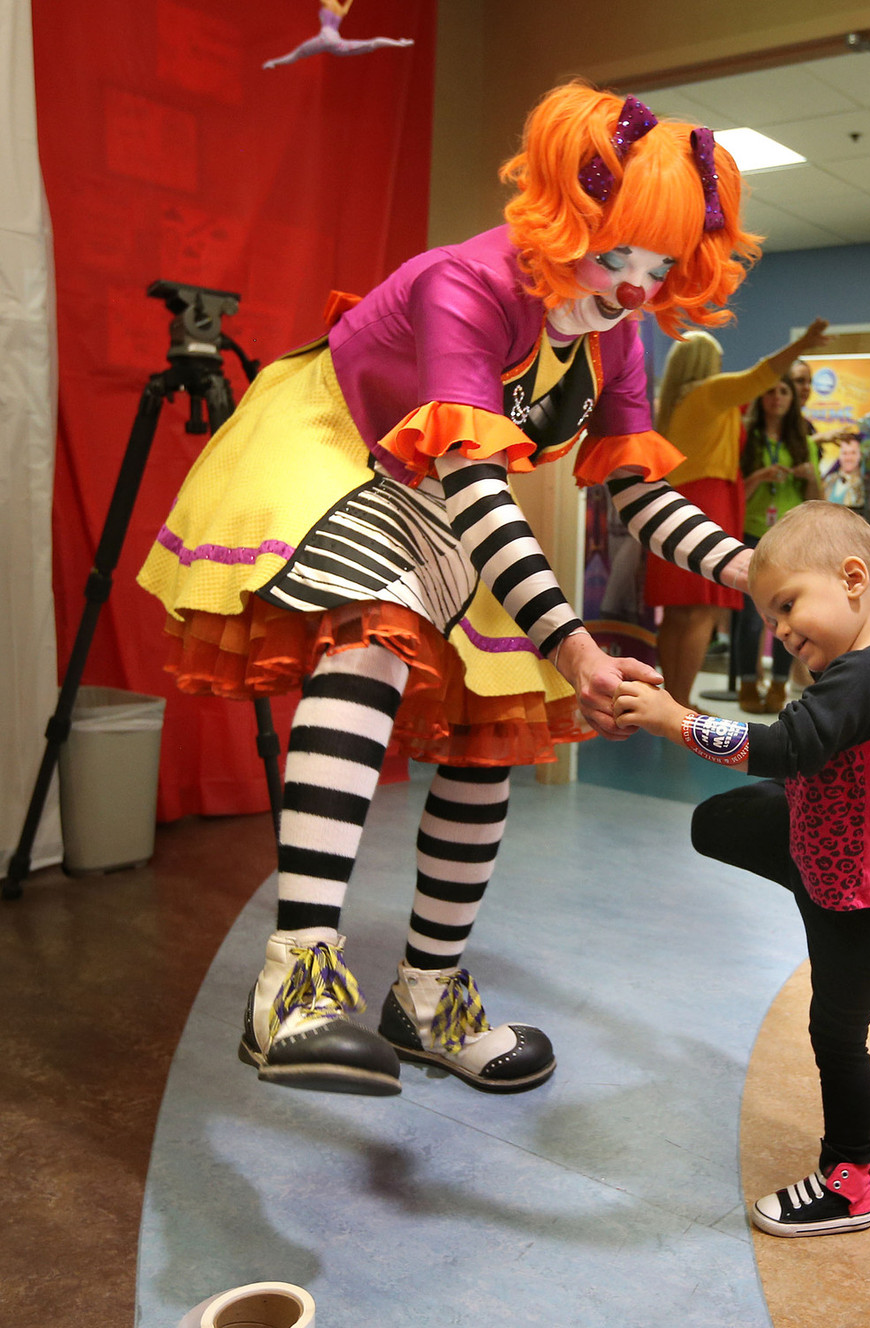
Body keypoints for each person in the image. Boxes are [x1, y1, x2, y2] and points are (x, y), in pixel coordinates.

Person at [138, 82, 762, 1098]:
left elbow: (636, 493)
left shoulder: (614, 336)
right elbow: (474, 480)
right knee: (374, 633)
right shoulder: (464, 286)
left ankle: (426, 995)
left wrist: (749, 566)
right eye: (619, 257)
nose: (636, 289)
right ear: (570, 220)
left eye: (659, 268)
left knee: (489, 716)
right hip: (335, 442)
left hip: (436, 481)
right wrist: (574, 644)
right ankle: (292, 986)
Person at [613, 501, 870, 1237]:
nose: (780, 630)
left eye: (788, 605)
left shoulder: (862, 678)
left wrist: (675, 718)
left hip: (859, 895)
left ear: (852, 578)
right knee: (714, 822)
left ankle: (847, 1180)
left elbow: (782, 749)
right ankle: (792, 852)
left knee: (836, 1033)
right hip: (829, 845)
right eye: (769, 617)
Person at [643, 319, 829, 709]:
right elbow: (761, 376)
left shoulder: (678, 403)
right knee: (702, 611)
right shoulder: (709, 393)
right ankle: (679, 703)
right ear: (705, 363)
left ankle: (673, 700)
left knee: (678, 613)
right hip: (708, 502)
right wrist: (802, 346)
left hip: (672, 501)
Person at [736, 375, 822, 714]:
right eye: (770, 390)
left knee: (790, 617)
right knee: (751, 618)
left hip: (791, 540)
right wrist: (760, 476)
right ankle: (747, 683)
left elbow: (818, 501)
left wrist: (809, 476)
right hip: (752, 534)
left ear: (793, 399)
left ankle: (778, 685)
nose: (777, 397)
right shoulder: (747, 440)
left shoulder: (804, 442)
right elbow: (737, 495)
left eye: (784, 391)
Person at [263, 0, 413, 68]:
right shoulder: (340, 10)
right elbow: (346, 8)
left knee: (296, 54)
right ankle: (399, 43)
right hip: (337, 43)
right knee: (372, 43)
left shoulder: (328, 3)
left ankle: (273, 62)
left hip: (324, 39)